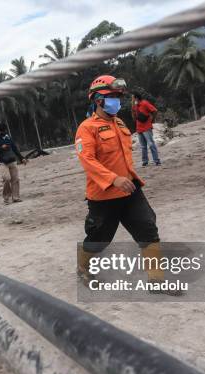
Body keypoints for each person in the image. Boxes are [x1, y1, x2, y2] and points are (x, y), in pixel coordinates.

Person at [74, 75, 180, 296]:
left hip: (130, 189)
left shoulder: (120, 123)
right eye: (112, 96)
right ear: (99, 100)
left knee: (148, 229)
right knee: (99, 240)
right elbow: (88, 161)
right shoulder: (87, 128)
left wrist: (126, 179)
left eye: (119, 97)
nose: (117, 101)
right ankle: (83, 267)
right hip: (103, 196)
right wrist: (114, 179)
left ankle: (157, 280)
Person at [0, 123, 27, 204]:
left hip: (12, 161)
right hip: (2, 163)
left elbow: (15, 149)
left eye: (4, 130)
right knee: (6, 178)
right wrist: (1, 148)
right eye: (2, 130)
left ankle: (16, 198)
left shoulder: (9, 137)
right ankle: (6, 198)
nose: (4, 132)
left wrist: (22, 158)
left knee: (15, 179)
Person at [131, 91, 161, 166]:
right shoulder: (135, 106)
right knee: (143, 146)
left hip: (146, 127)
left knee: (151, 144)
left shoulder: (144, 103)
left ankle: (156, 160)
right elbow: (134, 118)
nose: (132, 100)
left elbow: (154, 110)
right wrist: (132, 108)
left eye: (133, 98)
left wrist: (152, 120)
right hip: (139, 128)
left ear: (136, 98)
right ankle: (145, 161)